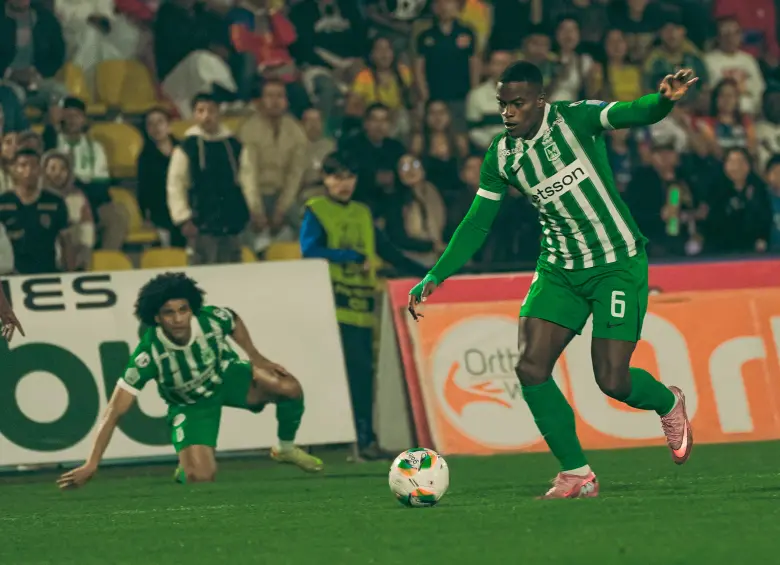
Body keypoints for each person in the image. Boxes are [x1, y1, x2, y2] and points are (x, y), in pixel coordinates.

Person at [407, 61, 698, 499]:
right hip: (559, 270)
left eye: (517, 103)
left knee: (613, 380)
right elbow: (476, 223)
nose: (507, 112)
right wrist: (437, 273)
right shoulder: (501, 155)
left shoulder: (576, 118)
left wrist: (663, 100)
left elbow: (634, 112)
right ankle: (577, 473)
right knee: (530, 366)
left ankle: (667, 402)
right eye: (502, 104)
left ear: (540, 100)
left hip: (616, 263)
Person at [57, 272, 323, 490]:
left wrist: (255, 357)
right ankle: (186, 468)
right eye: (169, 313)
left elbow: (233, 319)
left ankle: (285, 448)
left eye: (183, 309)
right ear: (156, 318)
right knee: (201, 478)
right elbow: (114, 411)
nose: (178, 318)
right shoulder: (148, 355)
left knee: (289, 387)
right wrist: (92, 463)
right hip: (192, 405)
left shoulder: (210, 320)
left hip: (228, 376)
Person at [300, 152, 426, 459]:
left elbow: (388, 251)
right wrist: (353, 257)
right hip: (329, 304)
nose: (343, 184)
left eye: (349, 177)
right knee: (338, 373)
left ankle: (364, 439)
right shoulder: (316, 210)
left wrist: (430, 273)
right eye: (336, 177)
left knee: (362, 374)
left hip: (360, 304)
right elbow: (309, 248)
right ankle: (339, 439)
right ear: (325, 179)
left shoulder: (362, 212)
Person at [0, 148, 73, 274]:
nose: (28, 171)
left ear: (40, 170)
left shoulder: (55, 202)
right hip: (10, 275)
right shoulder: (3, 202)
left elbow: (66, 242)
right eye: (23, 165)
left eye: (34, 166)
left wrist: (70, 273)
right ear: (14, 169)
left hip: (48, 273)